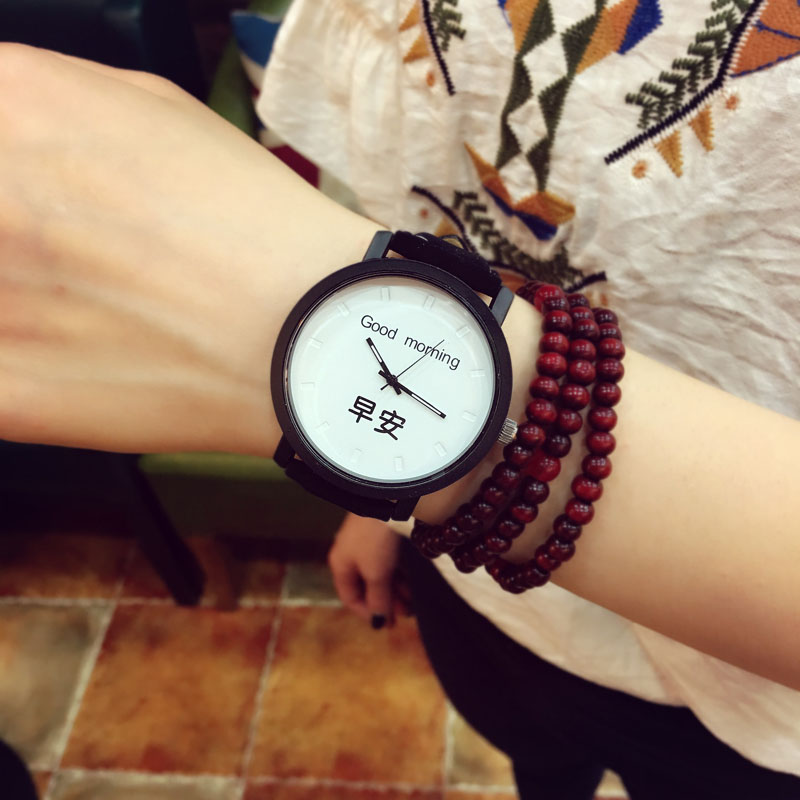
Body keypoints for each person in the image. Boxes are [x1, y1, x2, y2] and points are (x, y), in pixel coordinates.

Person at [0, 0, 797, 791]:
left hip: (741, 693)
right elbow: (406, 183)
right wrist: (381, 492)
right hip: (476, 582)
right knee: (538, 767)